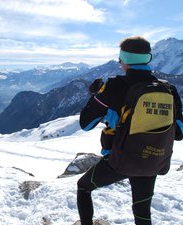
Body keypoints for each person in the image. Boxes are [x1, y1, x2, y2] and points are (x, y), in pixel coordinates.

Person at [77, 36, 183, 225]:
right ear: (147, 59)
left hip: (120, 161)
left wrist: (97, 96)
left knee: (83, 187)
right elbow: (180, 132)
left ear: (125, 60)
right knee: (142, 212)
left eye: (120, 59)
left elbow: (86, 124)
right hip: (153, 160)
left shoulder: (113, 86)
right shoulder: (169, 90)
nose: (119, 63)